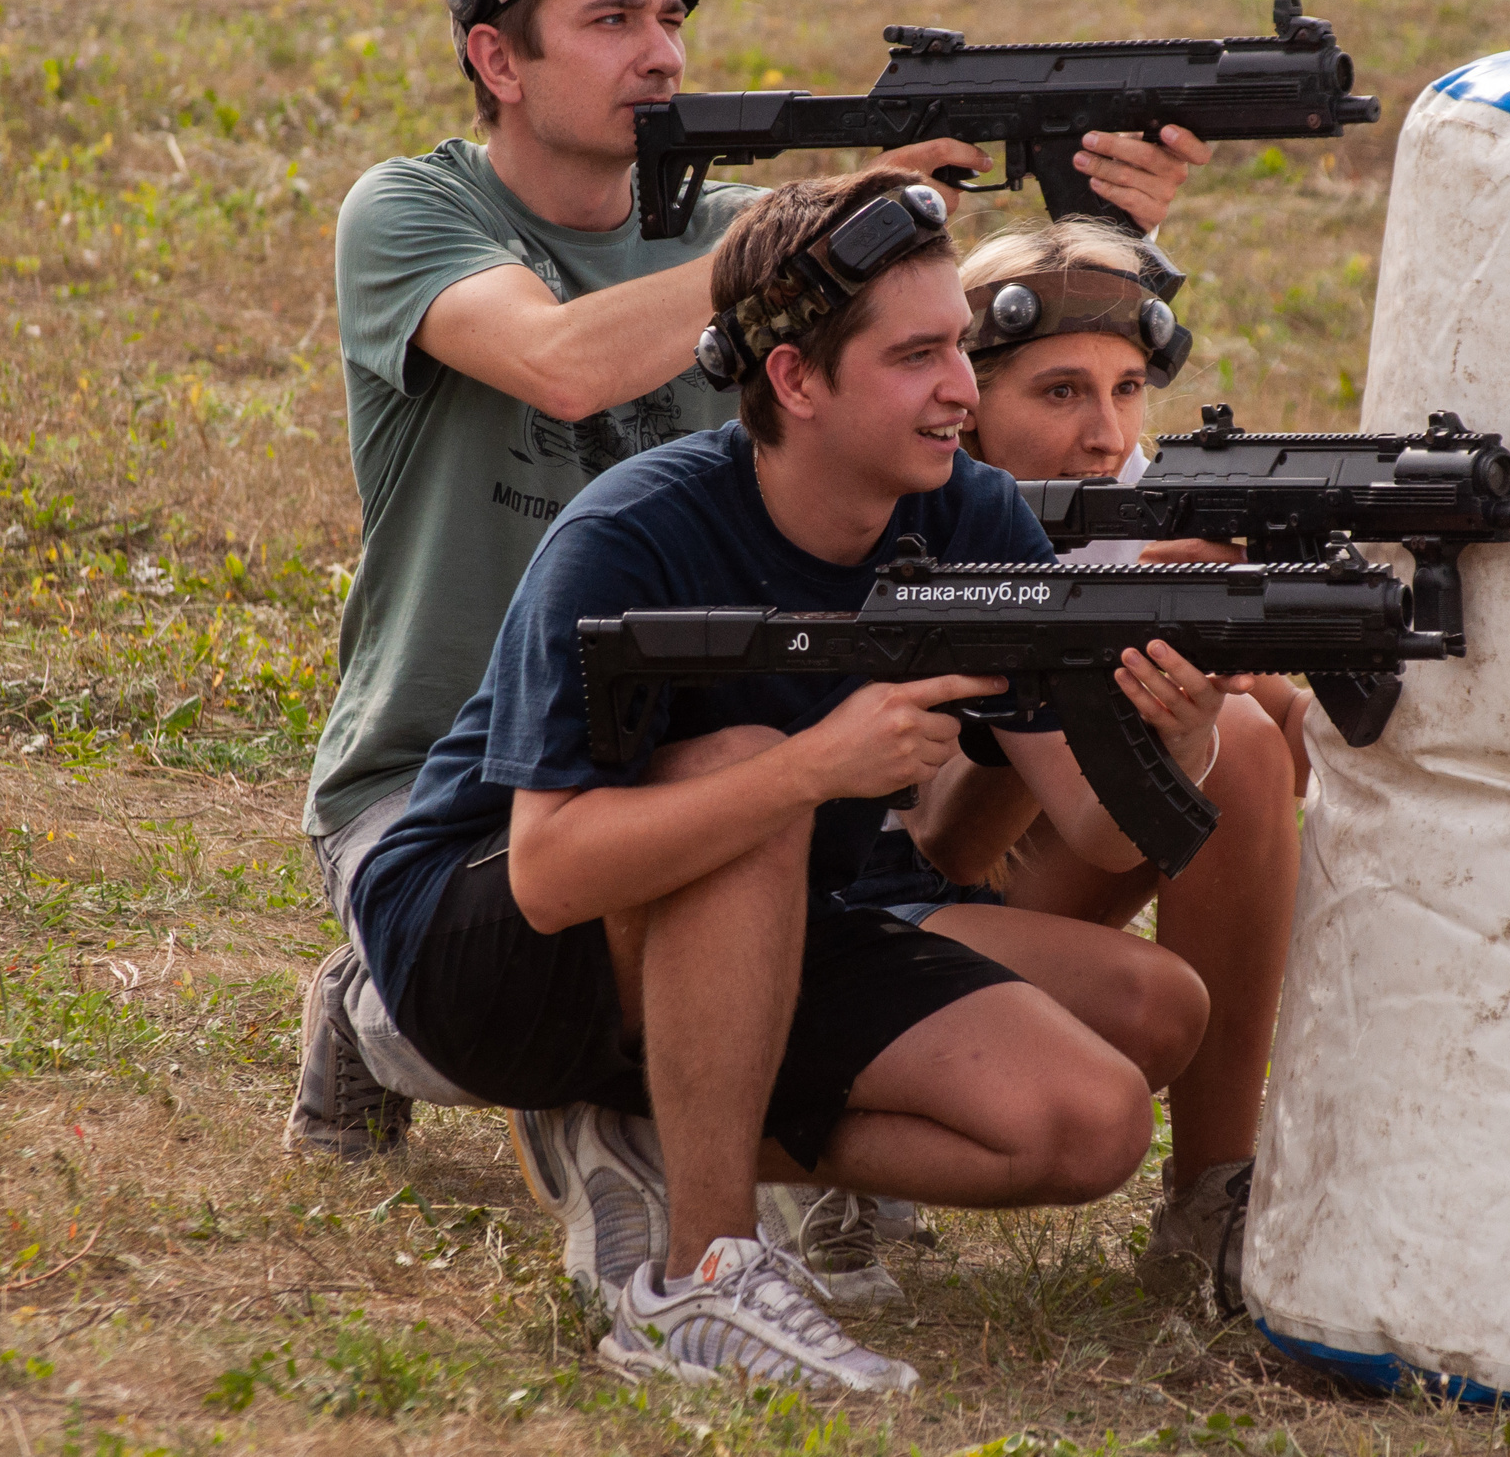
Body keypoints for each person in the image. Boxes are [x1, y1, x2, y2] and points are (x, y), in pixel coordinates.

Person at [286, 0, 1209, 1173]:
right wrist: (816, 239)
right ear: (495, 57)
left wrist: (1110, 219)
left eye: (670, 18)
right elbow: (562, 363)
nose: (660, 53)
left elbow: (947, 355)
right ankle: (387, 1012)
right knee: (700, 829)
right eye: (611, 21)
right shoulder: (415, 213)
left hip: (710, 731)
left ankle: (680, 1109)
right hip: (439, 779)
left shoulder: (735, 240)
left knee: (1074, 1010)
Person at [343, 169, 1226, 1388]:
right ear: (796, 381)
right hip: (481, 947)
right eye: (917, 358)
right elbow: (545, 874)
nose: (961, 392)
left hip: (772, 917)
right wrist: (816, 768)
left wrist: (1183, 733)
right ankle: (696, 1281)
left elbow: (1089, 817)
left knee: (1091, 1121)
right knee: (758, 776)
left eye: (960, 352)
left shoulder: (966, 516)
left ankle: (653, 1119)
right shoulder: (631, 534)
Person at [821, 217, 1310, 1317]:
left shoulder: (1121, 515)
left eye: (1128, 389)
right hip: (851, 902)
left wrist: (1233, 669)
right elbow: (930, 837)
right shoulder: (903, 503)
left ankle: (1211, 1200)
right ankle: (817, 1153)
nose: (1105, 433)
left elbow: (1248, 754)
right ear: (962, 391)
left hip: (981, 893)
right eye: (1058, 394)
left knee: (1243, 747)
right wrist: (1043, 679)